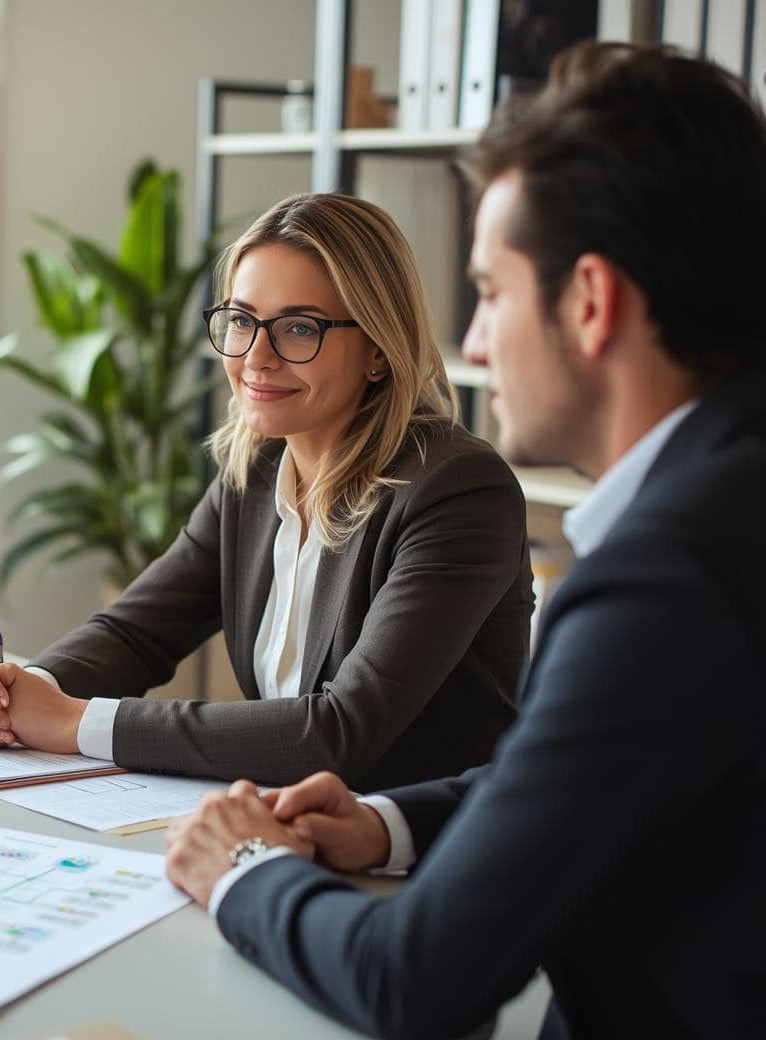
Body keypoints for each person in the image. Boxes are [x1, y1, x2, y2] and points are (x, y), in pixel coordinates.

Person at [164, 42, 766, 1039]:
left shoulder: (668, 577)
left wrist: (239, 869)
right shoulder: (728, 503)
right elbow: (596, 765)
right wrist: (386, 822)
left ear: (588, 301)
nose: (473, 343)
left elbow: (414, 981)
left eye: (488, 291)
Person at [0, 192, 533, 790]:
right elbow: (138, 631)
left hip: (416, 850)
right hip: (284, 827)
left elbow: (339, 732)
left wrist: (78, 722)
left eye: (299, 328)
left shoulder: (458, 491)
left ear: (379, 350)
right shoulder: (257, 469)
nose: (256, 356)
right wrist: (25, 690)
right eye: (241, 319)